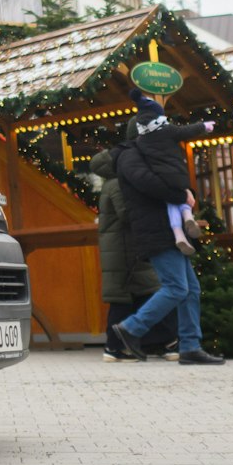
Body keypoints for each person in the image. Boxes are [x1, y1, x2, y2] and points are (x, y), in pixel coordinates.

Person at [106, 94, 225, 365]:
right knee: (176, 287)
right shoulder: (129, 156)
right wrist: (181, 196)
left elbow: (172, 179)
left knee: (190, 289)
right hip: (155, 229)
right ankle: (131, 328)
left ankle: (190, 346)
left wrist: (187, 192)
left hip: (171, 230)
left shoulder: (153, 151)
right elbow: (149, 183)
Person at [92, 144, 177, 361]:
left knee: (136, 295)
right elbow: (128, 214)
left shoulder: (114, 183)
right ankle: (121, 346)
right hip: (126, 250)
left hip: (125, 248)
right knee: (145, 293)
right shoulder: (119, 184)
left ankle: (131, 345)